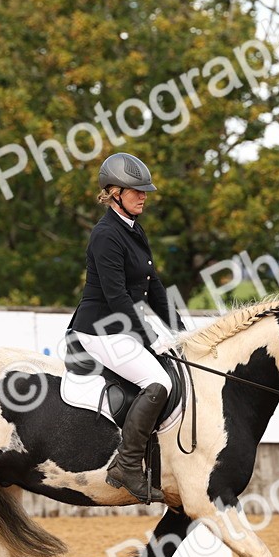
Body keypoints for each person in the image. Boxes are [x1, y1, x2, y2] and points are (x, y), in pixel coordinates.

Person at [66, 152, 188, 504]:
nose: (143, 196)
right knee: (159, 382)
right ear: (114, 193)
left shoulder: (133, 229)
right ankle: (127, 465)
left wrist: (182, 332)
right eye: (136, 190)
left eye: (144, 190)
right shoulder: (106, 234)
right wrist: (148, 337)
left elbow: (154, 286)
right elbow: (116, 295)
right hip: (98, 330)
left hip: (120, 327)